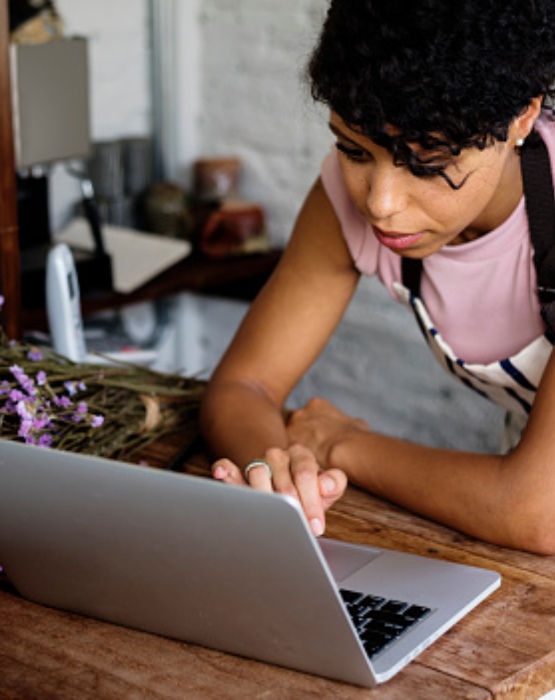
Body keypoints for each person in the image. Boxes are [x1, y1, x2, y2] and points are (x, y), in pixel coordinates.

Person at [199, 0, 555, 554]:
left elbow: (536, 512)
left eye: (428, 162)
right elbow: (243, 387)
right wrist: (278, 467)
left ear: (522, 117)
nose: (381, 203)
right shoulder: (350, 201)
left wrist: (342, 446)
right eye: (353, 149)